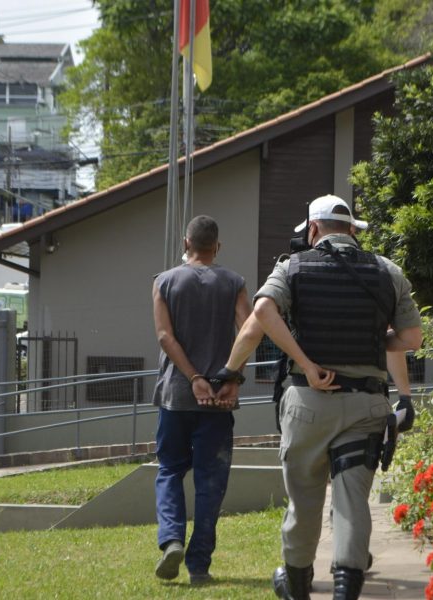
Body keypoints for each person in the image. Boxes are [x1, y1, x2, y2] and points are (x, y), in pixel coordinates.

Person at [214, 194, 422, 599]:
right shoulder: (388, 271)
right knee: (352, 501)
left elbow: (262, 313)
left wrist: (303, 364)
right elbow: (412, 339)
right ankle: (346, 588)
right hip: (366, 406)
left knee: (304, 499)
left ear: (313, 229)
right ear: (352, 230)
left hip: (307, 403)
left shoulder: (291, 267)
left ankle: (296, 584)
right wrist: (374, 346)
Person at [151, 215, 251, 585]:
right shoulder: (235, 282)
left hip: (176, 397)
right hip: (219, 402)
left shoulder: (164, 281)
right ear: (217, 247)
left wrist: (193, 378)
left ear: (185, 243)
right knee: (211, 482)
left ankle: (172, 539)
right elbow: (249, 330)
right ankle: (199, 565)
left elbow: (164, 336)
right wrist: (231, 377)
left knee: (170, 470)